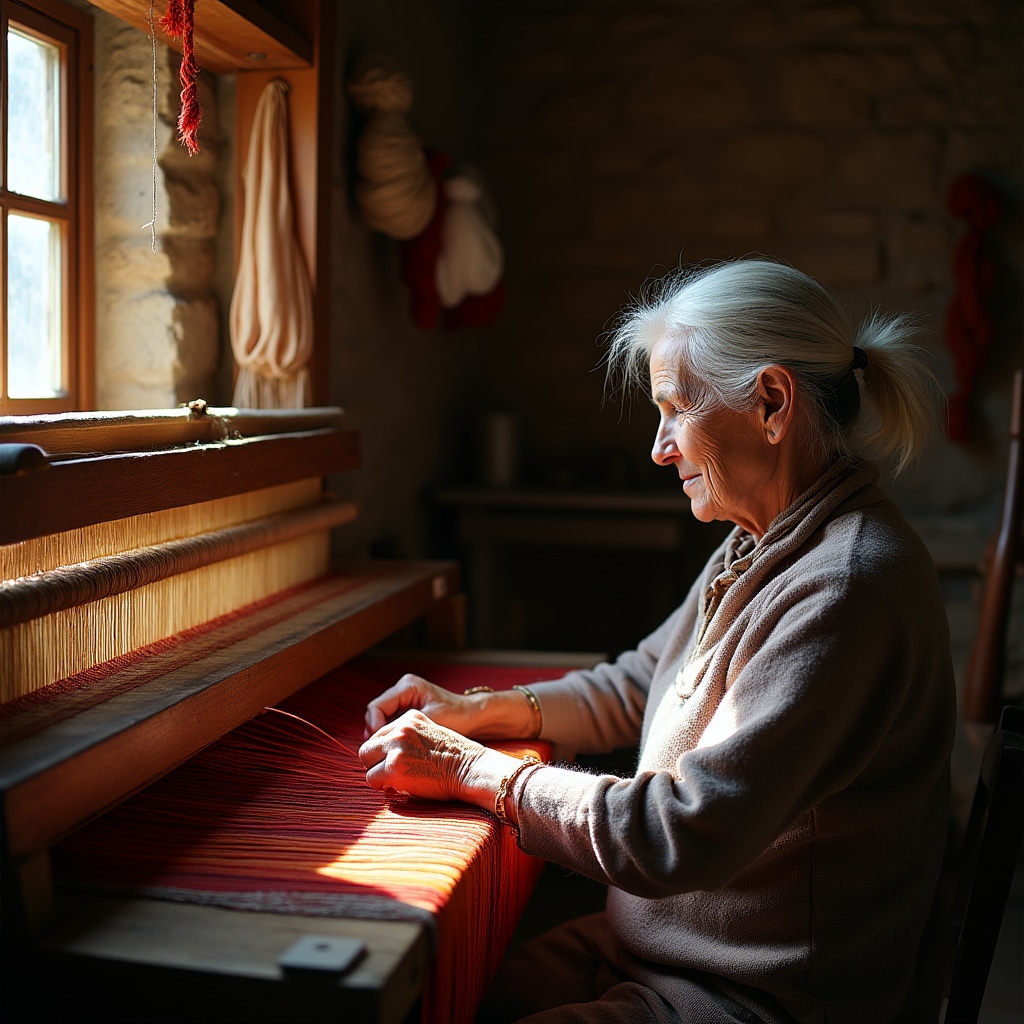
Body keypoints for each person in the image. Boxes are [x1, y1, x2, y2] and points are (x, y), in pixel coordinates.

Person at [358, 258, 956, 1024]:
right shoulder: (763, 542)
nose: (660, 447)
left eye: (675, 409)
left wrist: (476, 774)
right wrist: (479, 712)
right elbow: (642, 682)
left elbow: (680, 831)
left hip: (749, 999)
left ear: (772, 403)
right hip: (653, 951)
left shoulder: (846, 589)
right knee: (446, 993)